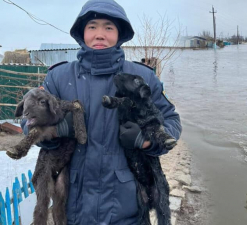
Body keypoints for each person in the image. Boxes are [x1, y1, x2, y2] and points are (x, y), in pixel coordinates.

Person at [21, 0, 181, 224]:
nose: (100, 34)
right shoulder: (59, 77)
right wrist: (54, 130)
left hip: (129, 208)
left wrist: (145, 140)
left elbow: (171, 120)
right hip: (73, 205)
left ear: (120, 33)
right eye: (92, 26)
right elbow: (28, 122)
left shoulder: (140, 78)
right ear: (82, 32)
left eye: (108, 27)